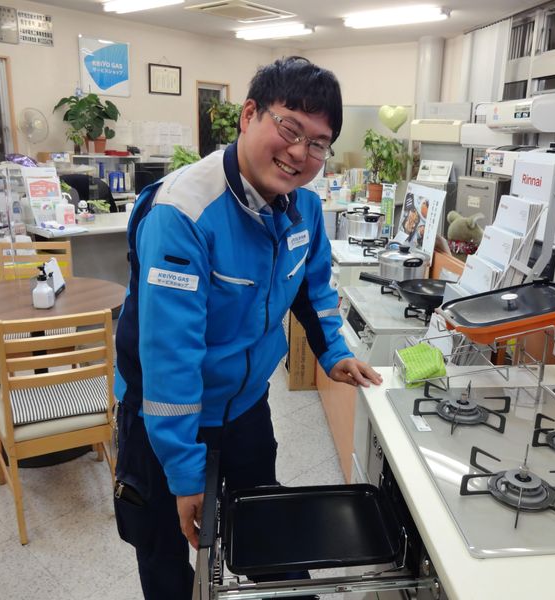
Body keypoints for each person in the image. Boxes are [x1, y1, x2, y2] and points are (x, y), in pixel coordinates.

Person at [112, 56, 383, 600]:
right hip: (162, 417)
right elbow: (169, 358)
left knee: (267, 531)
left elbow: (313, 287)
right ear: (249, 114)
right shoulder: (183, 212)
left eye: (319, 143)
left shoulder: (304, 208)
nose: (300, 153)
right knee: (165, 553)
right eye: (290, 128)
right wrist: (185, 474)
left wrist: (333, 352)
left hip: (244, 408)